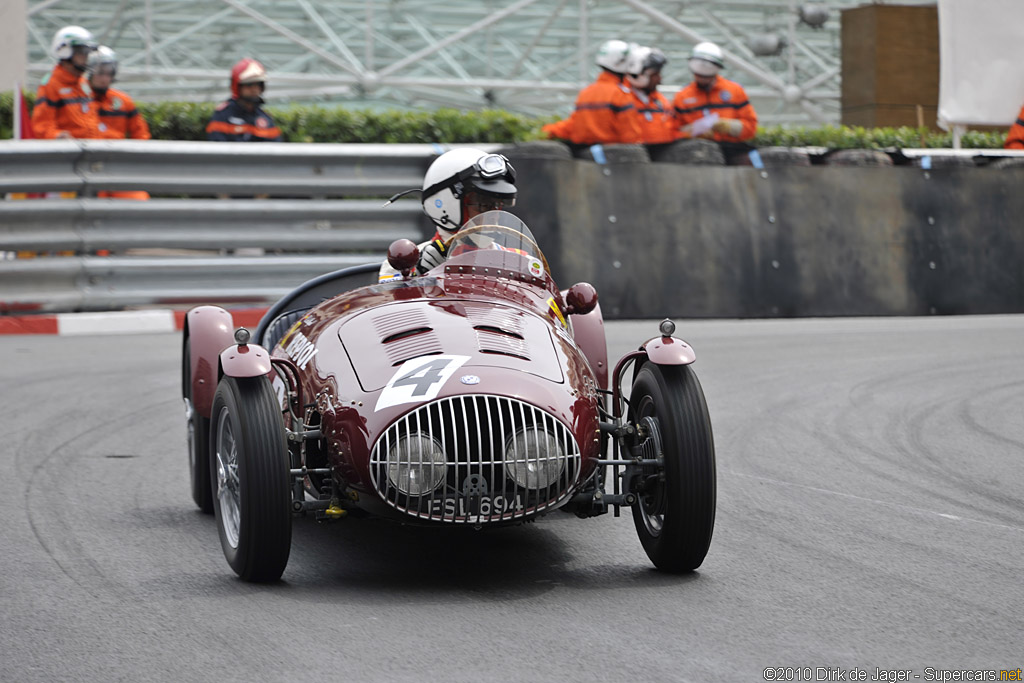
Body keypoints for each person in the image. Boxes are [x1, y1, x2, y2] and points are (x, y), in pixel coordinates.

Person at [378, 148, 517, 282]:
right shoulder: (403, 265)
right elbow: (392, 303)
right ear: (447, 203)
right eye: (484, 205)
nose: (494, 214)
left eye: (498, 205)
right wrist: (417, 278)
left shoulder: (516, 262)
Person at [541, 40, 642, 146]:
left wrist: (547, 131)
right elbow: (630, 136)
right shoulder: (621, 95)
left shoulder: (586, 93)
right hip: (614, 156)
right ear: (622, 63)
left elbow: (574, 125)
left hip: (587, 156)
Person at [88, 46, 151, 201]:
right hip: (87, 166)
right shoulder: (77, 100)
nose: (104, 78)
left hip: (118, 167)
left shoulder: (123, 101)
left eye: (109, 73)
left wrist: (130, 160)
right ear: (89, 72)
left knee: (139, 202)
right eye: (100, 72)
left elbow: (141, 134)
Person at [32, 26, 111, 140]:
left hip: (89, 152)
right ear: (64, 51)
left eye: (88, 52)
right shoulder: (50, 84)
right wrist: (57, 136)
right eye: (82, 52)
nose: (86, 57)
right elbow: (42, 127)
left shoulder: (83, 83)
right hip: (67, 155)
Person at [672, 42, 757, 145]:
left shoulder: (735, 91)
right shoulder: (682, 97)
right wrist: (691, 133)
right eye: (698, 75)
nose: (701, 79)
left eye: (706, 77)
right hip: (698, 150)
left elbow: (751, 128)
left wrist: (731, 127)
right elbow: (672, 132)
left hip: (732, 149)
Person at [206, 58, 283, 142]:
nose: (254, 89)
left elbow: (276, 148)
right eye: (249, 84)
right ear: (237, 87)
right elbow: (217, 148)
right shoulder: (223, 116)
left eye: (258, 84)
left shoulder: (265, 118)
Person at [624, 46, 680, 145]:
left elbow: (672, 130)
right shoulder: (622, 99)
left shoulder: (660, 101)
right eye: (655, 75)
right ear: (639, 74)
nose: (659, 79)